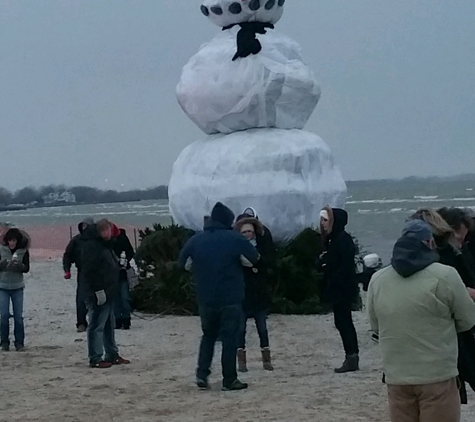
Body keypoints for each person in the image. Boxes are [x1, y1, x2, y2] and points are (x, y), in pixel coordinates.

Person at [367, 219, 475, 422]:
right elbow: (468, 319)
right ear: (430, 243)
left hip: (397, 375)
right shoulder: (445, 275)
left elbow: (376, 326)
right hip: (437, 374)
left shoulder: (378, 279)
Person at [179, 202, 259, 391]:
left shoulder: (195, 240)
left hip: (206, 298)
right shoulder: (235, 239)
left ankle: (202, 374)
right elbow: (254, 258)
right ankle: (229, 379)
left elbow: (183, 264)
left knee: (208, 336)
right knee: (230, 339)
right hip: (230, 297)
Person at [80, 219, 130, 368]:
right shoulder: (92, 247)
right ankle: (95, 357)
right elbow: (90, 272)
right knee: (96, 325)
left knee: (109, 325)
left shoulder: (105, 245)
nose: (110, 233)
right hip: (97, 292)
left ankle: (112, 354)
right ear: (102, 231)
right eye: (108, 230)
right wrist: (98, 291)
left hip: (109, 291)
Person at [316, 206, 359, 373]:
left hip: (343, 288)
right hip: (337, 287)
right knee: (341, 322)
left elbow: (345, 266)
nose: (322, 223)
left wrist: (332, 276)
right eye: (322, 220)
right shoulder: (332, 239)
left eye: (326, 220)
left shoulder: (342, 239)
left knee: (344, 322)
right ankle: (351, 356)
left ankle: (352, 357)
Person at [234, 215, 275, 372]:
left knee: (262, 328)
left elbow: (268, 264)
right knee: (240, 329)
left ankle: (266, 360)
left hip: (259, 292)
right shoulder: (235, 248)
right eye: (244, 232)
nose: (247, 234)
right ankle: (242, 362)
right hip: (242, 293)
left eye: (250, 231)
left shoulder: (263, 246)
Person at [0, 228, 30, 351]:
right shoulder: (1, 250)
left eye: (14, 241)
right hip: (2, 286)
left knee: (18, 316)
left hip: (17, 287)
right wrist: (4, 264)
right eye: (9, 241)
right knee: (4, 315)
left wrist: (19, 266)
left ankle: (19, 343)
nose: (11, 243)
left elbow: (27, 268)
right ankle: (4, 342)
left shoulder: (23, 252)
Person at [62, 217, 94, 332]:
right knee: (81, 299)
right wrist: (67, 269)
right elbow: (68, 255)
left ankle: (97, 321)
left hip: (98, 273)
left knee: (98, 299)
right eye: (83, 226)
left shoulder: (98, 240)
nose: (85, 228)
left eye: (87, 226)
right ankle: (81, 323)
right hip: (82, 272)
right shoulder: (76, 240)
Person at [111, 226, 135, 330]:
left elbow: (130, 252)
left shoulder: (122, 238)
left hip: (123, 272)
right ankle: (117, 320)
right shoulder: (105, 241)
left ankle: (126, 319)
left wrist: (125, 261)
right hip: (111, 274)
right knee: (115, 298)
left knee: (124, 297)